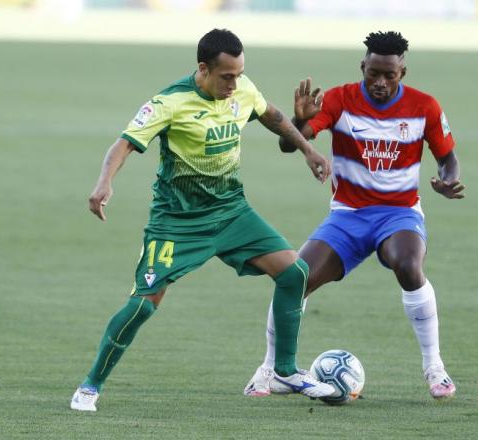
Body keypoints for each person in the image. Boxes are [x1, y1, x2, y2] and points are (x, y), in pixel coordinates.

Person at [70, 28, 336, 412]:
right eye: (227, 76)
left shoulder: (242, 90)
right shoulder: (170, 102)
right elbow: (124, 143)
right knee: (143, 305)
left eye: (239, 74)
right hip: (177, 223)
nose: (235, 83)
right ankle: (90, 386)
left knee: (294, 273)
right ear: (203, 69)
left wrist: (309, 150)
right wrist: (104, 183)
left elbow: (273, 117)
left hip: (231, 213)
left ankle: (285, 370)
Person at [244, 31, 465, 400]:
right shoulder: (339, 100)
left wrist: (448, 180)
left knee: (409, 265)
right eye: (372, 74)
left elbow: (448, 158)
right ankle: (271, 370)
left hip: (399, 213)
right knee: (293, 279)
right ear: (363, 67)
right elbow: (288, 145)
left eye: (388, 75)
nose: (379, 83)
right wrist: (299, 123)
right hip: (348, 215)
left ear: (402, 73)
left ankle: (434, 367)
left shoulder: (424, 107)